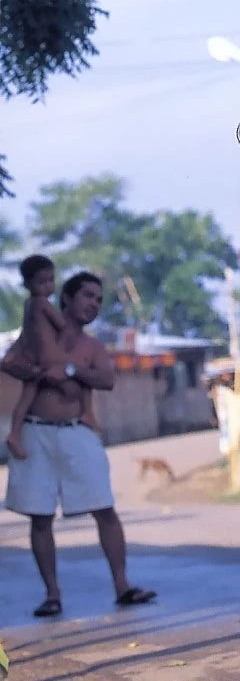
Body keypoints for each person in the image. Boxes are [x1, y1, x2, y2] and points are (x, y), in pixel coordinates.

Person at [1, 271, 156, 617]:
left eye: (99, 300)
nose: (94, 304)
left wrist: (69, 370)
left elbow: (106, 379)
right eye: (88, 296)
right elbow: (8, 362)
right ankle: (52, 594)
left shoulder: (92, 346)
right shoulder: (35, 336)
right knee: (40, 516)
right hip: (35, 431)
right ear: (66, 299)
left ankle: (122, 586)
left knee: (105, 508)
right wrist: (40, 372)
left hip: (77, 432)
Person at [5, 254, 97, 461]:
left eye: (51, 280)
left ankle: (15, 433)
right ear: (28, 284)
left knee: (27, 396)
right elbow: (62, 324)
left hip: (35, 358)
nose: (48, 286)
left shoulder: (29, 305)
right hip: (50, 357)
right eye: (42, 282)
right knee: (81, 374)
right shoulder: (41, 303)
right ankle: (87, 412)